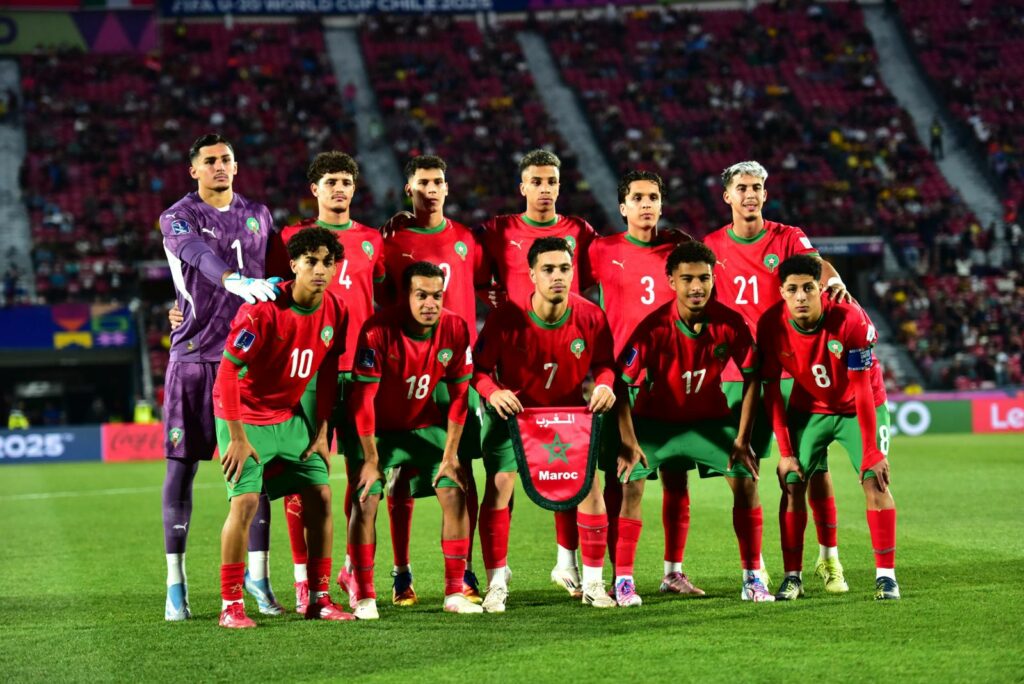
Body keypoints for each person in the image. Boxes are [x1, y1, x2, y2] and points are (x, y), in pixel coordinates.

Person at [704, 160, 852, 595]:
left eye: (757, 188)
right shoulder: (711, 245)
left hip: (791, 371)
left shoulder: (787, 237)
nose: (750, 195)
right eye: (742, 188)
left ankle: (829, 559)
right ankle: (755, 569)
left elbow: (818, 266)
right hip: (736, 374)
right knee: (742, 475)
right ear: (727, 196)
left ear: (765, 195)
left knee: (810, 469)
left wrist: (837, 281)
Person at [159, 134, 281, 621]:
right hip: (192, 358)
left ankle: (260, 577)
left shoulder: (260, 214)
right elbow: (193, 254)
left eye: (226, 159)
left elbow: (275, 275)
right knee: (181, 468)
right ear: (194, 170)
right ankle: (176, 584)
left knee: (258, 471)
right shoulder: (177, 215)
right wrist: (231, 279)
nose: (219, 167)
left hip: (250, 361)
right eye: (209, 161)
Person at [615, 241, 773, 605]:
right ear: (671, 280)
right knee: (631, 487)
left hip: (709, 422)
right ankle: (623, 581)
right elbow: (621, 385)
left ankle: (753, 578)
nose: (697, 286)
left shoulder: (729, 323)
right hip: (657, 424)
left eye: (704, 278)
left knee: (746, 480)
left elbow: (752, 377)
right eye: (687, 279)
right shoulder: (653, 327)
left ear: (714, 278)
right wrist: (628, 441)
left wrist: (742, 438)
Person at [213, 225, 353, 628]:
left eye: (328, 263)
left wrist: (323, 429)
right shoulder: (261, 311)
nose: (320, 270)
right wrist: (236, 438)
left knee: (321, 496)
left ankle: (319, 598)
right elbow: (226, 374)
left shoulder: (337, 310)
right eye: (311, 262)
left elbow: (327, 370)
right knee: (244, 504)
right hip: (243, 416)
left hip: (289, 418)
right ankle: (230, 605)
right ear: (293, 265)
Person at [476, 149, 599, 598]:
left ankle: (567, 564)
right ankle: (497, 574)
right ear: (522, 186)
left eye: (552, 181)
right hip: (510, 358)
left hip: (561, 346)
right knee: (502, 479)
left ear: (559, 186)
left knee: (570, 472)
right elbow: (464, 266)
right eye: (537, 181)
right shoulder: (498, 229)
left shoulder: (580, 231)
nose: (545, 189)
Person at [266, 151, 384, 614]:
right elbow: (273, 294)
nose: (339, 189)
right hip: (306, 372)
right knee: (301, 479)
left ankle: (354, 573)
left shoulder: (374, 240)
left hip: (361, 372)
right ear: (314, 189)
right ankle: (303, 581)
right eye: (330, 181)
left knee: (363, 478)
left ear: (355, 189)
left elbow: (388, 298)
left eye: (346, 182)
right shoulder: (291, 238)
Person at [473, 237, 617, 612]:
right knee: (500, 486)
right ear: (532, 274)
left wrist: (605, 384)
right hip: (514, 417)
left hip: (568, 417)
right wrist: (493, 393)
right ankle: (496, 582)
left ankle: (593, 583)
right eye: (549, 269)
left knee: (590, 489)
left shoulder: (590, 314)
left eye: (564, 268)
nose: (558, 276)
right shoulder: (506, 317)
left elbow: (605, 364)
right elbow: (479, 371)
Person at [376, 155, 490, 605]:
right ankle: (401, 572)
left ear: (448, 187)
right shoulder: (393, 239)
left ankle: (464, 569)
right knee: (401, 470)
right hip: (410, 366)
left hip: (457, 366)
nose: (432, 189)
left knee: (464, 471)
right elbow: (383, 299)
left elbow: (490, 282)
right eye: (423, 183)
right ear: (409, 190)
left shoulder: (465, 238)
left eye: (439, 181)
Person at [343, 261, 483, 618]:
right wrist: (372, 460)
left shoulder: (455, 327)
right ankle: (365, 594)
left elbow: (457, 398)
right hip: (379, 430)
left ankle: (454, 591)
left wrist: (451, 454)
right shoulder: (377, 331)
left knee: (454, 490)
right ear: (405, 296)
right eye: (421, 295)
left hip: (423, 423)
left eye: (437, 295)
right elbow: (363, 402)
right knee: (367, 496)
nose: (430, 303)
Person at [585, 170, 702, 596]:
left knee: (676, 477)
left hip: (672, 379)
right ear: (622, 207)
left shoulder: (679, 249)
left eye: (653, 197)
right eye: (637, 197)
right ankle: (620, 575)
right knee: (624, 477)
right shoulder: (600, 249)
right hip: (621, 383)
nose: (646, 204)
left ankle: (673, 572)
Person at [757, 255, 900, 601]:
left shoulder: (850, 319)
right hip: (809, 409)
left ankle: (886, 577)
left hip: (858, 407)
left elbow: (862, 388)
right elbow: (772, 391)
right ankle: (793, 577)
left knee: (873, 479)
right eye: (792, 290)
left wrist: (871, 452)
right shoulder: (770, 325)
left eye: (808, 288)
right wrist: (786, 453)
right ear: (782, 292)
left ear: (822, 288)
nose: (801, 296)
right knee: (791, 481)